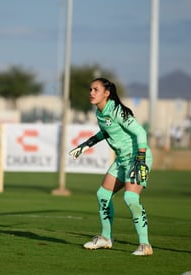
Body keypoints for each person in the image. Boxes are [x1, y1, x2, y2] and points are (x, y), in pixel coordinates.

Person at [69, 77, 153, 256]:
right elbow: (106, 132)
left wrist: (140, 158)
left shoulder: (116, 110)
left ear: (106, 93)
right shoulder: (100, 112)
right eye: (90, 89)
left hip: (137, 158)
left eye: (96, 90)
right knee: (103, 195)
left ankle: (145, 245)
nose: (91, 93)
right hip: (122, 160)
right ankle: (106, 238)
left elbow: (141, 132)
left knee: (131, 199)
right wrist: (85, 145)